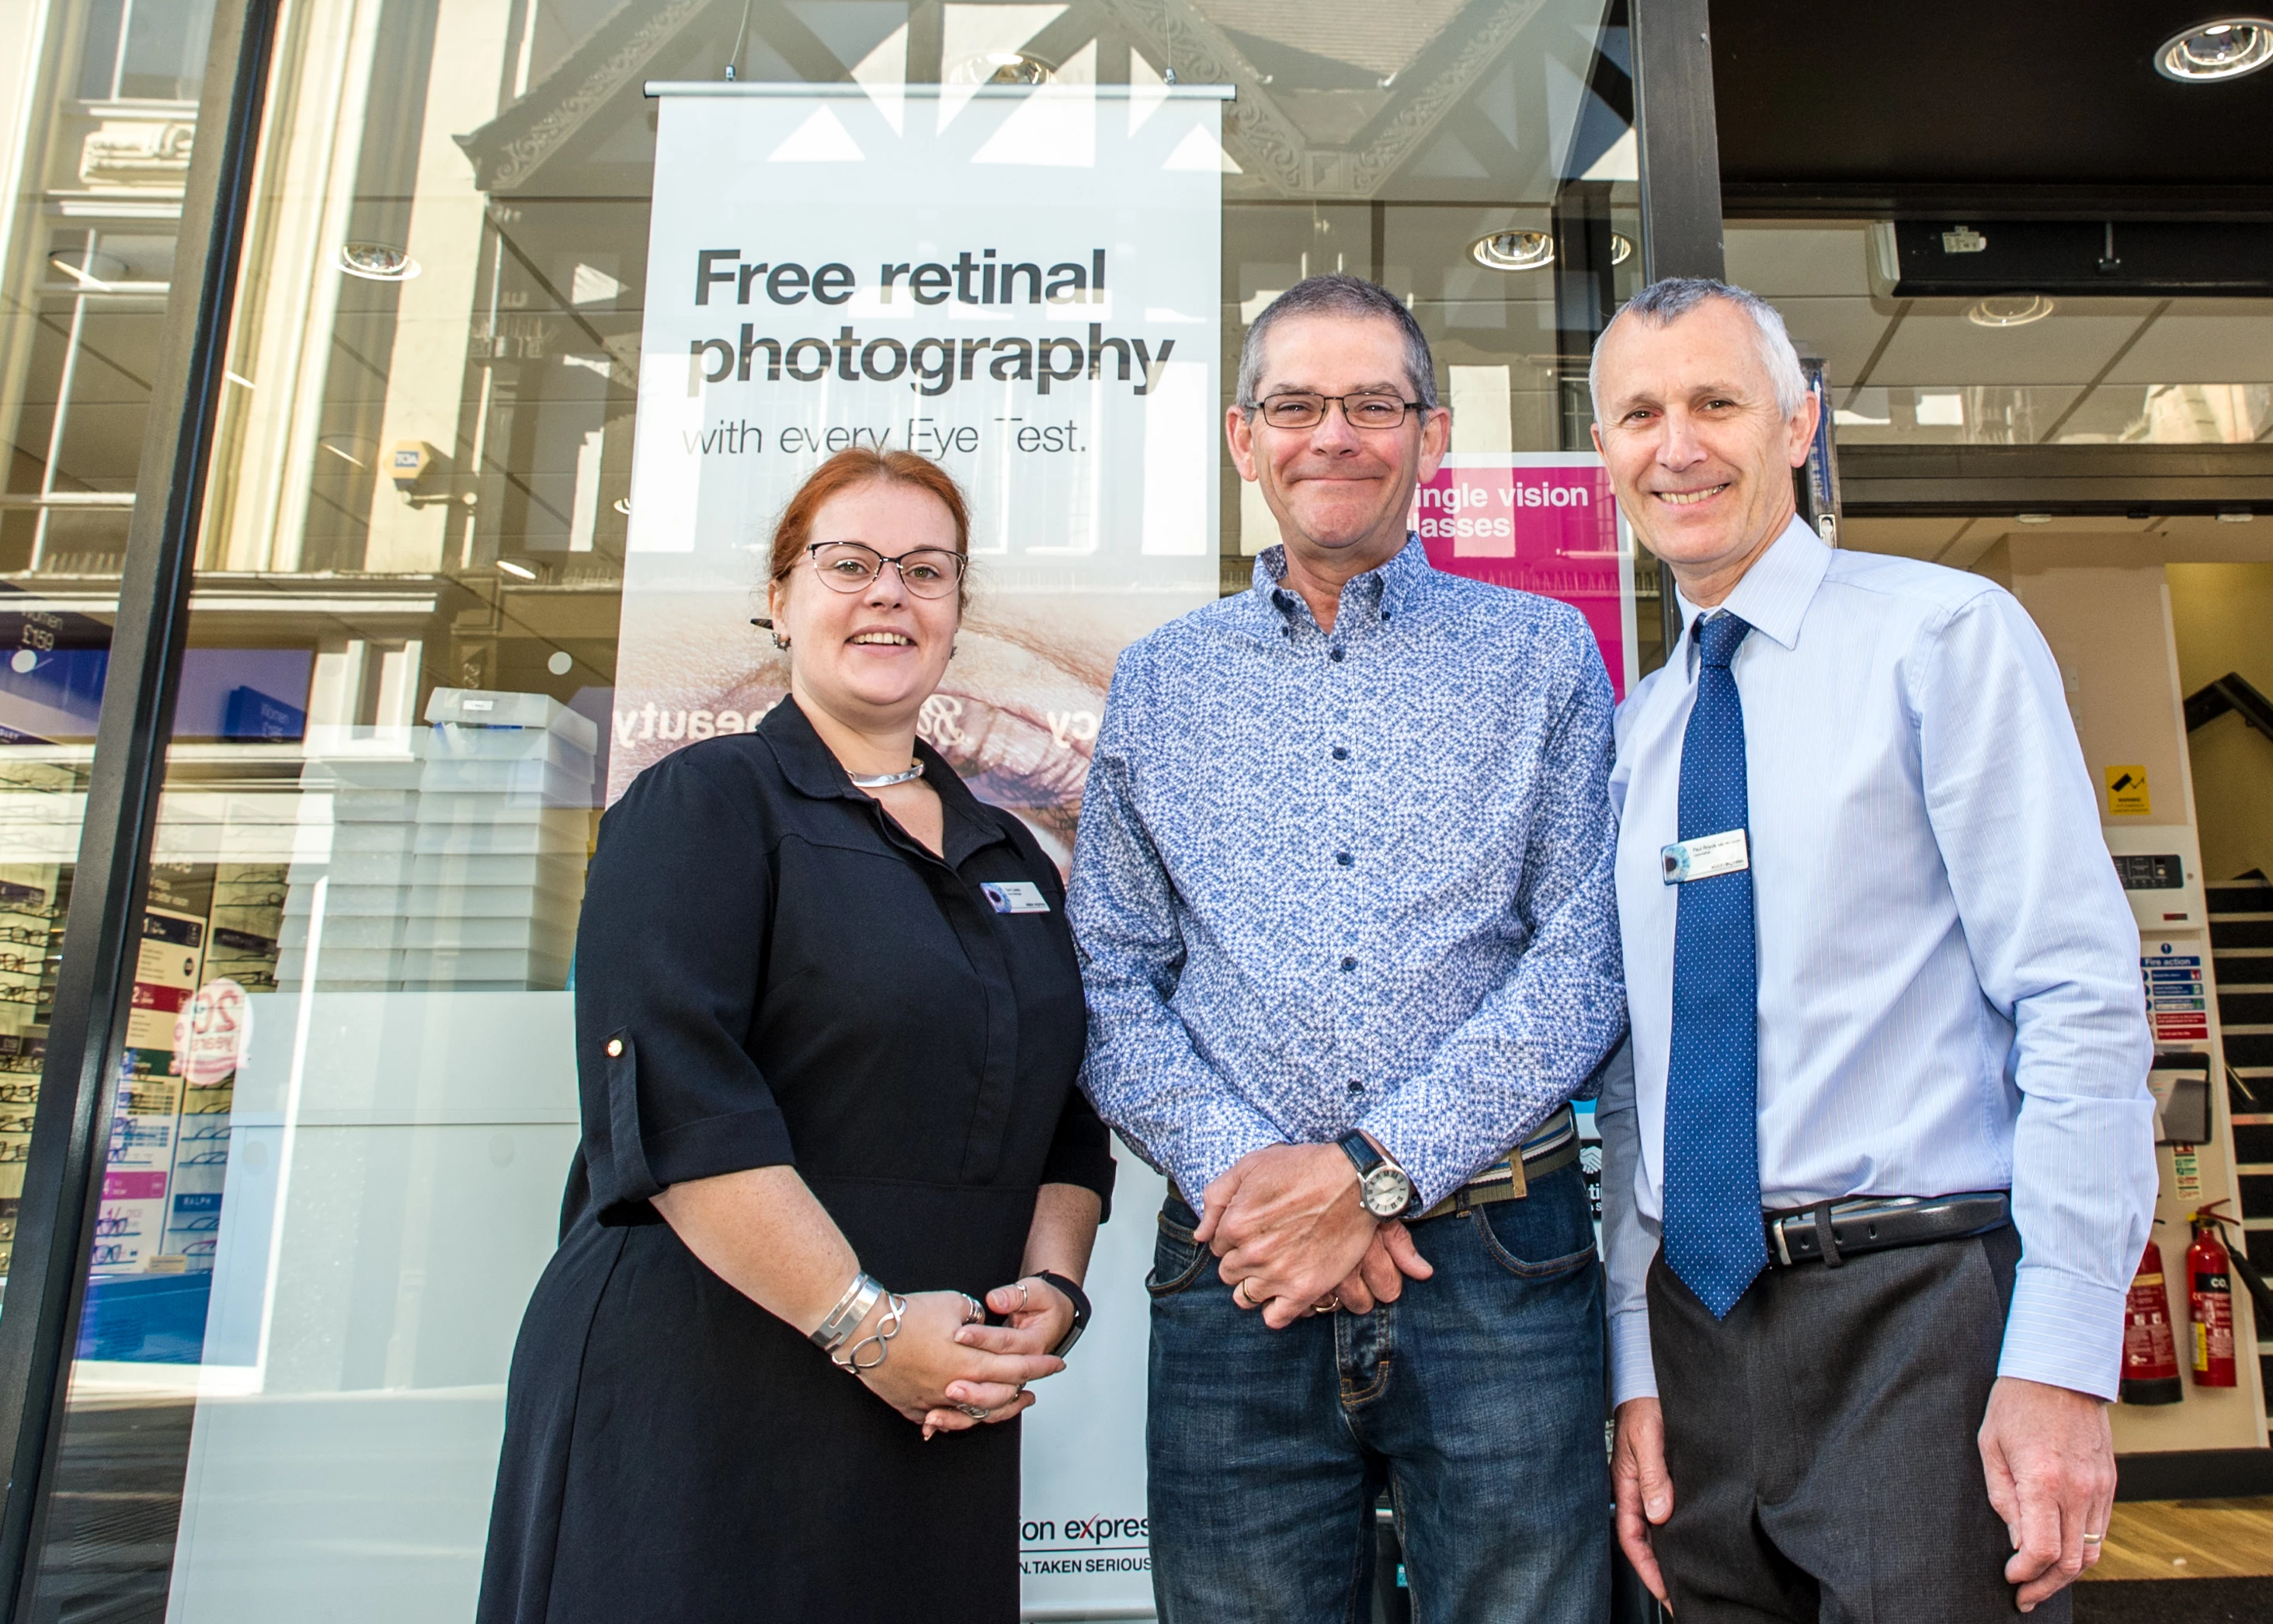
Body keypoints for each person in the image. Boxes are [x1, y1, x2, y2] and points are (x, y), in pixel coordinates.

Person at [1589, 278, 2155, 1621]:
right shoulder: (1633, 738)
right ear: (1606, 454)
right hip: (1701, 1329)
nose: (1678, 446)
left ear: (1799, 424)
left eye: (1717, 403)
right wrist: (1637, 1363)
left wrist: (2065, 1355)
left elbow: (2075, 997)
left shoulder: (1944, 639)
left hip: (1921, 1319)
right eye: (1640, 414)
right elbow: (1631, 1078)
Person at [1070, 270, 1625, 1624]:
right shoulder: (1159, 678)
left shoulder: (1544, 655)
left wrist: (1373, 1178)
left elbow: (1587, 960)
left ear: (1432, 437)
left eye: (1373, 404)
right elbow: (1109, 974)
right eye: (1296, 404)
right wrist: (1266, 1193)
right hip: (1235, 1270)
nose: (1335, 435)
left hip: (1497, 1262)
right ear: (1242, 438)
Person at [479, 448, 1114, 1624]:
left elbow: (1066, 1118)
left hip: (942, 1394)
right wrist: (870, 1329)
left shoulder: (1011, 856)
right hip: (713, 1383)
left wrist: (1048, 1291)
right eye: (849, 564)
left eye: (926, 571)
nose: (889, 594)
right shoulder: (700, 805)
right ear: (780, 601)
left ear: (958, 615)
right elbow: (678, 1102)